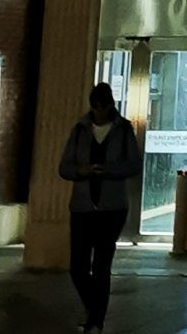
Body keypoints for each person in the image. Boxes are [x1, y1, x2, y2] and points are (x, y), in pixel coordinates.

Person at [58, 81, 141, 333]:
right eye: (95, 109)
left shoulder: (124, 130)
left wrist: (108, 170)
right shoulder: (80, 130)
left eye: (103, 109)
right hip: (82, 206)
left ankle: (96, 319)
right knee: (78, 267)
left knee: (102, 266)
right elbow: (64, 167)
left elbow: (134, 165)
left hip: (112, 208)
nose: (99, 114)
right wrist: (81, 171)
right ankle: (94, 310)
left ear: (110, 106)